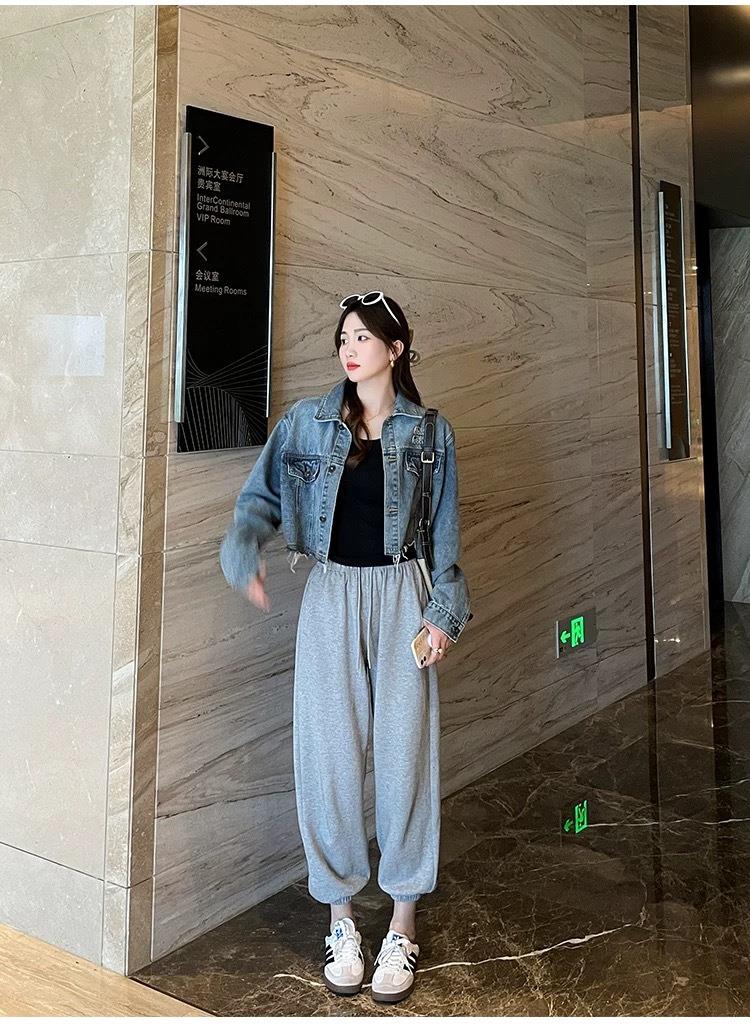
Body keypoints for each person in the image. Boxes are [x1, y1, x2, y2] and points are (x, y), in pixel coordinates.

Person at [219, 291, 472, 1005]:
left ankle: (402, 924)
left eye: (363, 337)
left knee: (404, 759)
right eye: (343, 338)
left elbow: (446, 537)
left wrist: (442, 615)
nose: (349, 349)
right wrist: (244, 551)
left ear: (396, 349)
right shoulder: (306, 422)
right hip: (330, 594)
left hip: (403, 595)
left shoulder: (431, 433)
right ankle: (341, 921)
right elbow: (258, 500)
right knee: (327, 755)